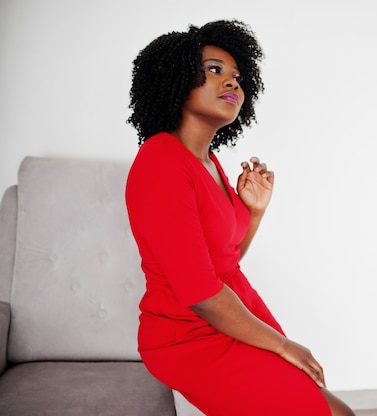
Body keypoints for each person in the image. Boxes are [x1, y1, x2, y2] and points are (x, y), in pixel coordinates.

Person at [125, 20, 355, 416]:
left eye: (237, 76)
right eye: (214, 69)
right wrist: (283, 345)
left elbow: (224, 261)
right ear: (177, 77)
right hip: (187, 336)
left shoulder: (209, 163)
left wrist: (254, 211)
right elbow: (200, 292)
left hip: (232, 315)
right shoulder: (162, 162)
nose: (232, 83)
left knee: (330, 409)